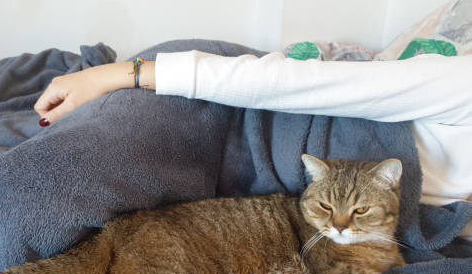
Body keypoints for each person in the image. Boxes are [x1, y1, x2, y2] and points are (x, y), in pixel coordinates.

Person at [33, 50, 472, 241]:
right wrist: (117, 74)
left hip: (260, 179)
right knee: (33, 195)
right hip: (219, 102)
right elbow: (299, 81)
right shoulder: (463, 85)